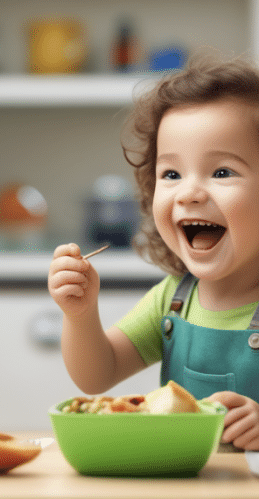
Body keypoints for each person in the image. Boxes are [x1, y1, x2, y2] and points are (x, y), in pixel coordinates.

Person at [48, 56, 259, 450]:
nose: (189, 192)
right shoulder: (174, 299)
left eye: (222, 172)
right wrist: (80, 315)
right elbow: (98, 374)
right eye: (172, 174)